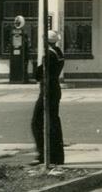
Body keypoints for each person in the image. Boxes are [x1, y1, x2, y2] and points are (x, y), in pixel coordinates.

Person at [31, 30, 65, 166]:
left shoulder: (49, 55)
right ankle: (57, 156)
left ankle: (42, 154)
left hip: (47, 91)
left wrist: (37, 66)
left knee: (37, 122)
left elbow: (38, 74)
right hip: (55, 89)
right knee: (53, 121)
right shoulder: (59, 53)